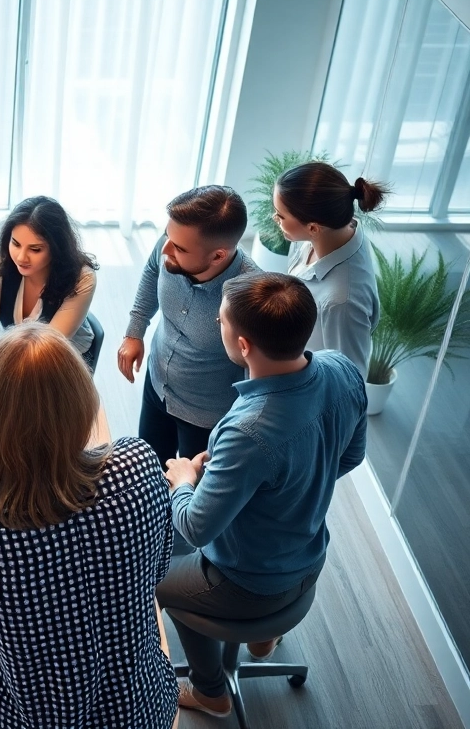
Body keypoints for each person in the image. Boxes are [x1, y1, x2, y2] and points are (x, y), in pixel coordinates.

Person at [0, 323, 177, 729]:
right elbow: (159, 567)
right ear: (81, 400)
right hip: (142, 707)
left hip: (32, 717)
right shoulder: (138, 462)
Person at [157, 273, 367, 718]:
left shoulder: (249, 429)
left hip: (248, 581)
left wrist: (182, 479)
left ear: (245, 346)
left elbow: (196, 526)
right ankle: (261, 637)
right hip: (308, 558)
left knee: (150, 579)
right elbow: (350, 458)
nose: (217, 323)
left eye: (221, 321)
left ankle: (210, 689)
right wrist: (287, 486)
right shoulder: (343, 369)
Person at [118, 185, 257, 470]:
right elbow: (151, 272)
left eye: (179, 248)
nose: (165, 248)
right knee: (150, 470)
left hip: (206, 417)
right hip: (157, 387)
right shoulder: (173, 241)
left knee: (191, 493)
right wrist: (135, 331)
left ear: (218, 256)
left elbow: (256, 373)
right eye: (167, 238)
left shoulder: (252, 296)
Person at [0, 196, 99, 399]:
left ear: (56, 248)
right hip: (13, 354)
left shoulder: (83, 278)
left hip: (58, 359)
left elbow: (42, 351)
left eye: (35, 249)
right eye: (15, 243)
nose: (20, 257)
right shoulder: (0, 259)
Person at [275, 162, 387, 377]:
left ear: (313, 227)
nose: (276, 220)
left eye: (280, 216)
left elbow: (350, 381)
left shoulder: (341, 303)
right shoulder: (326, 234)